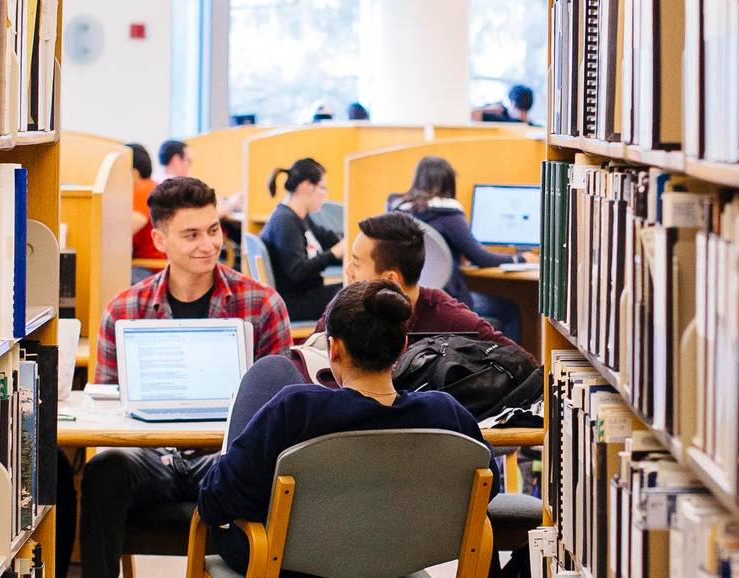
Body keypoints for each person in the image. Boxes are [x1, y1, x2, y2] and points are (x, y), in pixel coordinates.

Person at [76, 177, 293, 578]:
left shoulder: (261, 304)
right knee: (103, 470)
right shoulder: (124, 309)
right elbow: (104, 410)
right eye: (191, 234)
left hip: (224, 458)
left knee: (263, 475)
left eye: (213, 230)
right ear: (159, 240)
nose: (209, 245)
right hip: (149, 457)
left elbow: (279, 411)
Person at [196, 280, 492, 572]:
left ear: (334, 348)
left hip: (284, 560)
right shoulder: (447, 414)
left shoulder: (297, 409)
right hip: (397, 559)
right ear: (403, 346)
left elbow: (216, 499)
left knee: (271, 371)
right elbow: (488, 488)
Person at [337, 212, 521, 353]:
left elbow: (518, 359)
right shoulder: (348, 306)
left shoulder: (448, 317)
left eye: (357, 263)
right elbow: (311, 357)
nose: (348, 271)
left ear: (391, 279)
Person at [389, 156, 529, 341]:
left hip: (409, 299)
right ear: (448, 183)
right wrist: (521, 259)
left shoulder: (398, 213)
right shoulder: (449, 216)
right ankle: (512, 368)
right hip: (446, 300)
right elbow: (482, 258)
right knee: (509, 309)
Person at [260, 158, 345, 322]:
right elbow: (297, 271)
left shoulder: (300, 217)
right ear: (307, 186)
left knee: (355, 288)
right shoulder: (285, 221)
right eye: (322, 188)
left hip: (306, 293)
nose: (324, 195)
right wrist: (334, 254)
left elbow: (327, 237)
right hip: (294, 302)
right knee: (355, 295)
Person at [125, 144, 165, 271]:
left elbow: (126, 229)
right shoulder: (153, 186)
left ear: (134, 173)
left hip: (149, 266)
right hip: (151, 264)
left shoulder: (143, 189)